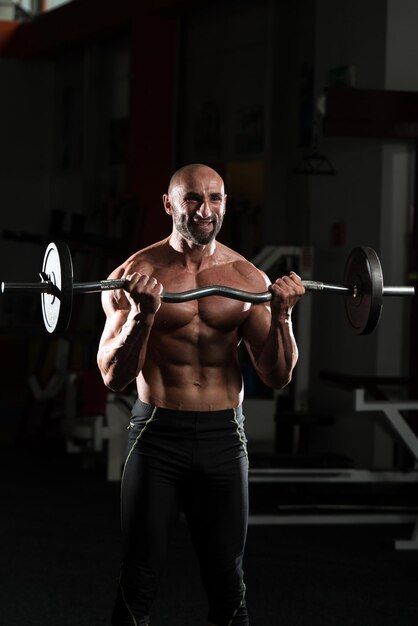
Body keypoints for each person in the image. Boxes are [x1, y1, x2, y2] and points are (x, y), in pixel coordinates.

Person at [97, 163, 305, 626]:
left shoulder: (248, 279)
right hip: (157, 436)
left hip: (223, 440)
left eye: (215, 199)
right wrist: (141, 318)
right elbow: (113, 377)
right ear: (169, 204)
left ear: (225, 204)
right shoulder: (133, 275)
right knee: (138, 579)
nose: (204, 210)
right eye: (192, 199)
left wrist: (285, 317)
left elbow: (276, 377)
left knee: (228, 580)